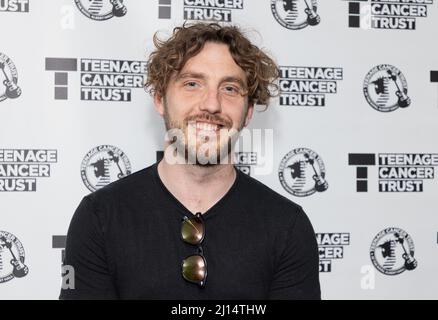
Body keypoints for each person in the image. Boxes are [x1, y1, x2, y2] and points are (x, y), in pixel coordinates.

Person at [60, 22, 320, 300]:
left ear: (248, 113)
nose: (211, 104)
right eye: (192, 84)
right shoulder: (100, 217)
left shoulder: (287, 226)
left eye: (230, 88)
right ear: (160, 98)